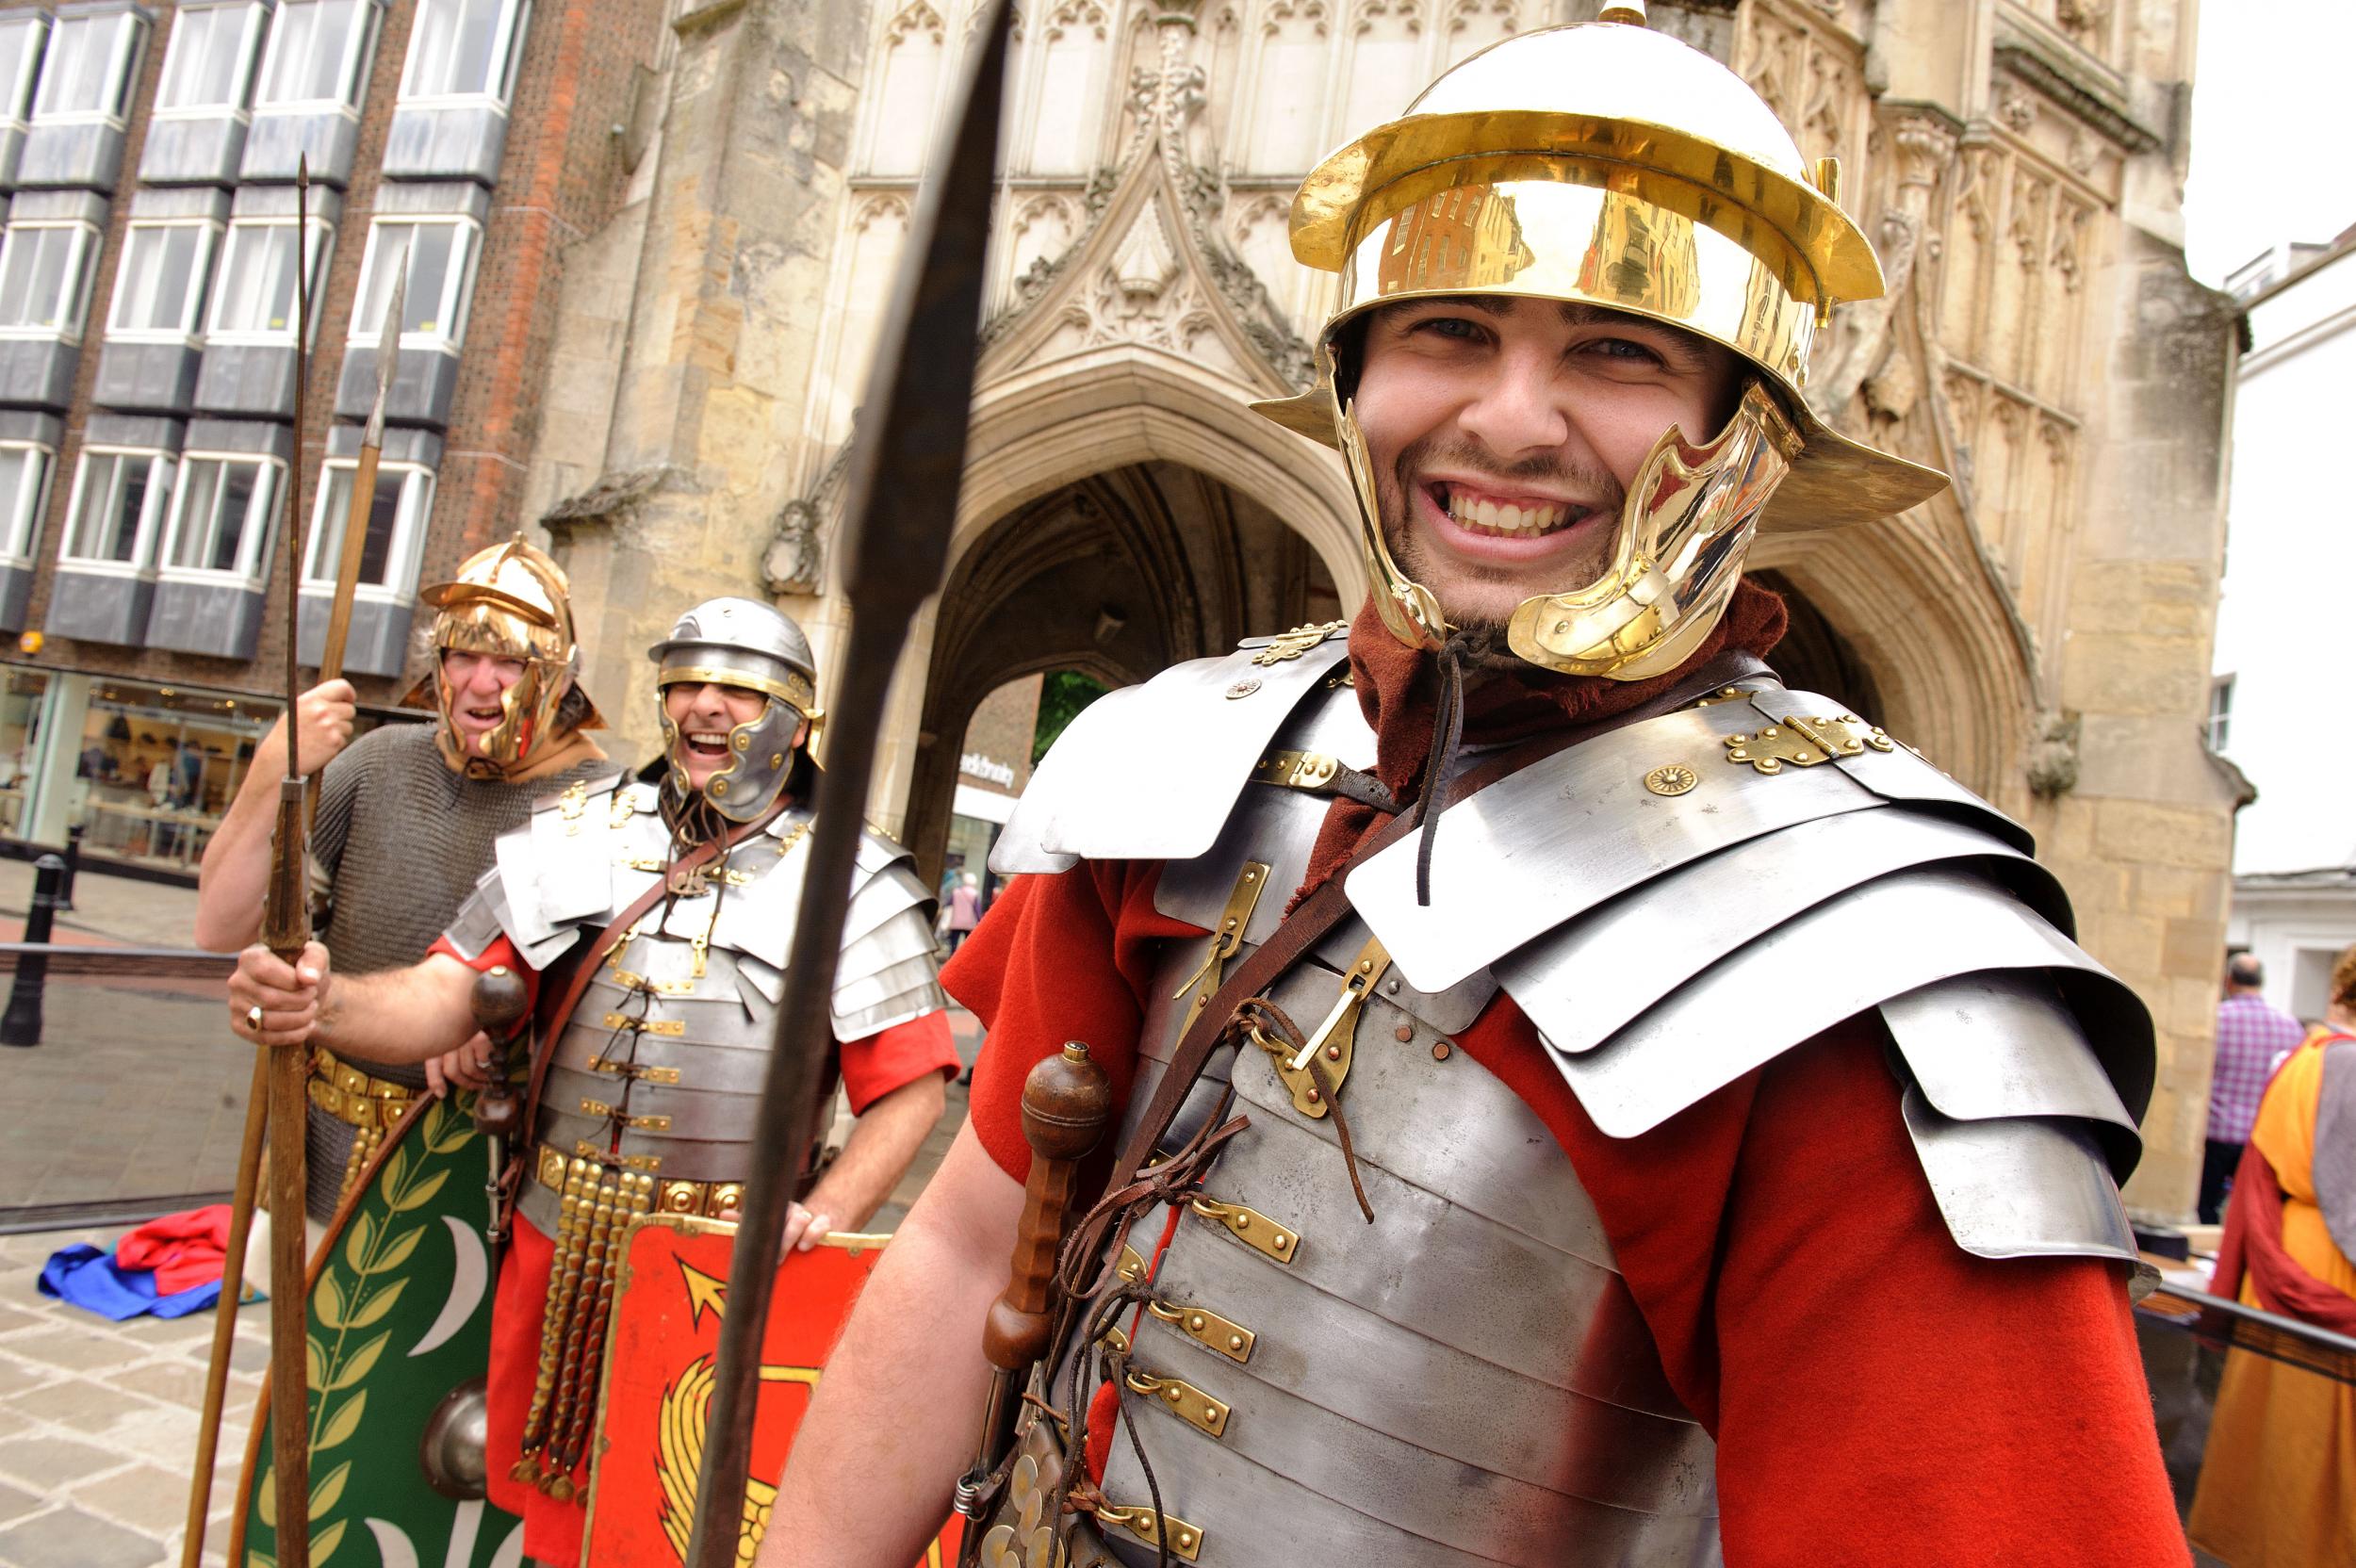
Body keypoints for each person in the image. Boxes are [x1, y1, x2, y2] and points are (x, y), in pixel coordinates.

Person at [764, 15, 2186, 1567]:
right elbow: (975, 1235)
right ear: (1354, 381)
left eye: (1618, 349)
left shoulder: (1858, 960)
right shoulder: (1202, 761)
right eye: (1446, 330)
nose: (1509, 418)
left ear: (1737, 435)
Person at [232, 596, 961, 1566]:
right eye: (687, 683)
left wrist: (822, 1215)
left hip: (720, 1259)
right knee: (541, 1486)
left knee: (678, 1503)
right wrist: (321, 1003)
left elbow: (910, 1086)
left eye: (739, 689)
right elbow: (445, 993)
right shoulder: (573, 833)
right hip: (556, 1227)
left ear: (795, 717)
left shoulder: (853, 878)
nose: (706, 707)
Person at [204, 535, 613, 1230]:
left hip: (467, 1157)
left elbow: (596, 1013)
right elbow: (221, 926)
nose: (482, 683)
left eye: (510, 661)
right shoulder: (377, 762)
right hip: (321, 1122)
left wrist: (493, 1018)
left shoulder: (596, 806)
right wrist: (275, 766)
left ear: (561, 676)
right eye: (463, 655)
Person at [2187, 942, 2356, 1566]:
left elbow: (2257, 1180)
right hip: (2341, 1267)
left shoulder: (2302, 1060)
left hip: (2284, 1253)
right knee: (2325, 1445)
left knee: (2276, 1435)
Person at [2203, 952, 2307, 1223]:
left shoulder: (2215, 1019)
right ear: (2261, 982)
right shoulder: (2290, 1026)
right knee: (2250, 1216)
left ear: (2229, 981)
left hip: (2216, 1133)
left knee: (2205, 1211)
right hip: (2260, 1137)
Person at [945, 869, 981, 953]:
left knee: (954, 942)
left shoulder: (956, 892)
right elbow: (977, 910)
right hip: (969, 923)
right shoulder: (975, 894)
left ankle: (952, 957)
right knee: (967, 943)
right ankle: (964, 955)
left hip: (956, 922)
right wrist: (980, 920)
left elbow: (948, 904)